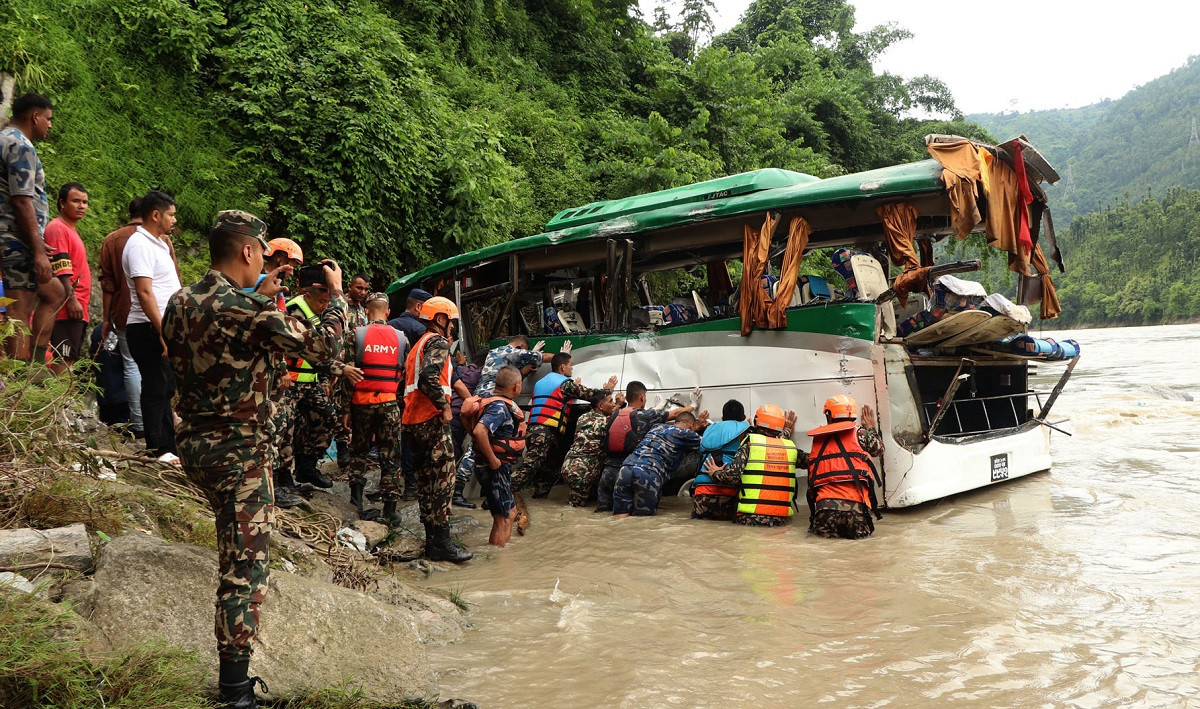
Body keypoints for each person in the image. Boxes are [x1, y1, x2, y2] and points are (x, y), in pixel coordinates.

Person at [162, 210, 346, 708]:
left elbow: (219, 348)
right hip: (238, 451)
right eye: (262, 251)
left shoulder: (180, 300)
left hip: (194, 444)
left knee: (233, 552)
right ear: (247, 251)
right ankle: (235, 692)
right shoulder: (248, 309)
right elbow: (326, 349)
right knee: (245, 566)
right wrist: (337, 295)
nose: (265, 259)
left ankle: (234, 685)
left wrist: (259, 296)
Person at [401, 295, 472, 562]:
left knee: (425, 483)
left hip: (412, 422)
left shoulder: (416, 345)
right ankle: (441, 544)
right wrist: (444, 406)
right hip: (431, 420)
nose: (452, 327)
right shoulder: (438, 341)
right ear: (440, 319)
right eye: (451, 321)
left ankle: (433, 543)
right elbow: (428, 376)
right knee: (442, 482)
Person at [453, 334, 562, 505]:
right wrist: (561, 358)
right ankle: (468, 492)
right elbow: (544, 357)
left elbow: (505, 373)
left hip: (479, 400)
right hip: (494, 401)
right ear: (520, 346)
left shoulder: (494, 352)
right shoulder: (513, 351)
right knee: (497, 444)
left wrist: (525, 368)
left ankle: (477, 493)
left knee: (479, 445)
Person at [0, 92, 64, 364]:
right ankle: (17, 381)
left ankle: (34, 364)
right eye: (48, 119)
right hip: (15, 238)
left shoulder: (3, 138)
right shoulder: (20, 145)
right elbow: (22, 201)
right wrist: (37, 249)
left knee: (55, 292)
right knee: (20, 308)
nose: (50, 125)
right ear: (34, 116)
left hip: (17, 236)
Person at [123, 190, 182, 461]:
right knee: (155, 385)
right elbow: (145, 292)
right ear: (156, 215)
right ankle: (158, 447)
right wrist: (162, 332)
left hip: (160, 325)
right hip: (147, 326)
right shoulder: (139, 245)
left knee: (166, 386)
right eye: (170, 214)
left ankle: (169, 446)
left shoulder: (158, 242)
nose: (174, 220)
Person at [510, 352, 617, 499]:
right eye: (570, 365)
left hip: (536, 430)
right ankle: (503, 492)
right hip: (544, 431)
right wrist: (607, 391)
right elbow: (588, 394)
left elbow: (558, 398)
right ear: (562, 367)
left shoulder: (541, 382)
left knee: (548, 471)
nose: (572, 369)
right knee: (531, 465)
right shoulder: (564, 384)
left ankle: (539, 499)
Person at [254, 237, 305, 508]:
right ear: (281, 259)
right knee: (274, 428)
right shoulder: (267, 287)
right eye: (293, 264)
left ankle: (279, 481)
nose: (294, 271)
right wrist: (283, 367)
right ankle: (272, 486)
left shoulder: (268, 286)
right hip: (271, 372)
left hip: (271, 370)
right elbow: (274, 332)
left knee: (281, 428)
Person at [347, 292, 406, 523]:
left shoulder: (358, 335)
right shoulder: (401, 338)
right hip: (389, 404)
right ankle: (390, 511)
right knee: (391, 455)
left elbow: (348, 374)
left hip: (361, 403)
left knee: (359, 452)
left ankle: (356, 502)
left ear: (367, 311)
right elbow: (403, 374)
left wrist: (344, 410)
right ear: (388, 312)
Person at [595, 381, 696, 512]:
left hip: (609, 471)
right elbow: (675, 414)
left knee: (607, 513)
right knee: (638, 517)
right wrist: (693, 405)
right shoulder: (646, 415)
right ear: (642, 397)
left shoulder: (616, 413)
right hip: (632, 467)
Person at [699, 404, 799, 525]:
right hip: (778, 520)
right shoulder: (790, 449)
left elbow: (733, 477)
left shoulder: (749, 444)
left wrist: (714, 472)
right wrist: (787, 431)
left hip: (748, 519)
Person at [283, 279, 339, 488]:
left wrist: (324, 377)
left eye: (327, 301)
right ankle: (284, 477)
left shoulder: (319, 314)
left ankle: (307, 467)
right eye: (321, 301)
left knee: (327, 418)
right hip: (289, 381)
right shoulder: (294, 309)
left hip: (311, 380)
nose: (325, 305)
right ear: (308, 296)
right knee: (286, 429)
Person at [805, 394, 885, 539]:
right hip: (856, 510)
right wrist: (871, 428)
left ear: (829, 415)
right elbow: (879, 449)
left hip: (824, 509)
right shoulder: (861, 433)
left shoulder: (817, 439)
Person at [99, 197, 146, 436]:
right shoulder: (158, 239)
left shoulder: (112, 239)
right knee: (155, 368)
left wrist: (107, 319)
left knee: (131, 365)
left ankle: (138, 424)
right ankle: (157, 423)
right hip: (153, 313)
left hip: (123, 313)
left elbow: (108, 285)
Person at [612, 410, 709, 518]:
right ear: (691, 425)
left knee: (619, 517)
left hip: (626, 469)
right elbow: (707, 443)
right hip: (649, 472)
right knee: (642, 521)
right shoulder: (685, 434)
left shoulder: (656, 427)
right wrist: (703, 428)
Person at [470, 366, 527, 547]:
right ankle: (501, 562)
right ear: (516, 387)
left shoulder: (489, 399)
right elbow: (479, 431)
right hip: (495, 467)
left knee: (506, 513)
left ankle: (498, 557)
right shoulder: (499, 407)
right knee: (505, 517)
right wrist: (493, 460)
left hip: (492, 466)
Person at [45, 182, 90, 370]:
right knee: (62, 360)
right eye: (76, 201)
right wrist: (71, 299)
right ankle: (58, 398)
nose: (82, 206)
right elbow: (61, 266)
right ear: (62, 203)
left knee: (68, 359)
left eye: (85, 202)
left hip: (77, 307)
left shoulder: (70, 230)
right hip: (66, 308)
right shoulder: (58, 228)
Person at [333, 273, 371, 478]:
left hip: (358, 364)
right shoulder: (341, 306)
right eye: (359, 288)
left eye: (365, 289)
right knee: (341, 405)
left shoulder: (363, 311)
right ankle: (342, 451)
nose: (362, 292)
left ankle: (355, 450)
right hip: (341, 364)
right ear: (350, 287)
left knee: (355, 405)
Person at [691, 399, 750, 520]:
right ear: (743, 417)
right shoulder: (745, 432)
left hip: (701, 493)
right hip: (728, 494)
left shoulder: (709, 429)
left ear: (723, 418)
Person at [561, 392, 621, 507]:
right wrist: (619, 404)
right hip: (582, 471)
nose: (613, 404)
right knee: (575, 509)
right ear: (600, 406)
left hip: (568, 465)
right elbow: (617, 417)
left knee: (581, 501)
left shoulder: (582, 417)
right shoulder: (604, 422)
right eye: (610, 401)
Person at [448, 347, 482, 509]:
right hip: (459, 415)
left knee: (452, 453)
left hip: (449, 413)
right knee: (455, 456)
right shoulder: (479, 376)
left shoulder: (460, 369)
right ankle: (453, 493)